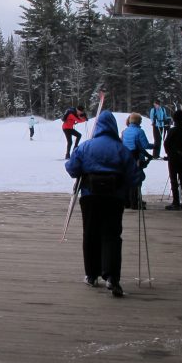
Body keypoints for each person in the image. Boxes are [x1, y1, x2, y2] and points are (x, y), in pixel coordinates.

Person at [65, 110, 138, 298]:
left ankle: (91, 274)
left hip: (90, 196)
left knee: (90, 234)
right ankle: (112, 277)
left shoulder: (85, 146)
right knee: (112, 235)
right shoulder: (121, 149)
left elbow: (72, 168)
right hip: (114, 198)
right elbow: (135, 176)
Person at [121, 112, 153, 209]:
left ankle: (127, 201)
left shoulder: (125, 131)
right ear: (138, 121)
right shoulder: (139, 132)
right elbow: (144, 145)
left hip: (126, 159)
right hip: (137, 158)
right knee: (137, 180)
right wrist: (154, 146)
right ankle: (135, 201)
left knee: (128, 179)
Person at [163, 109, 182, 211]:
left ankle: (176, 202)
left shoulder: (172, 130)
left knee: (174, 180)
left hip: (174, 158)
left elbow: (166, 143)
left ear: (174, 119)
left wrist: (169, 153)